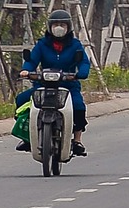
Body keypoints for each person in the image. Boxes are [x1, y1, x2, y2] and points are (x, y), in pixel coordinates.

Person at [18, 9, 93, 156]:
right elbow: (32, 60)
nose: (59, 28)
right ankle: (27, 136)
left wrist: (81, 73)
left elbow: (84, 61)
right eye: (56, 24)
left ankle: (77, 140)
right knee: (21, 100)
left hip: (68, 85)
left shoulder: (75, 45)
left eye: (63, 25)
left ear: (68, 27)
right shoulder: (42, 44)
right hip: (43, 84)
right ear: (50, 27)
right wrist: (26, 70)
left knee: (78, 106)